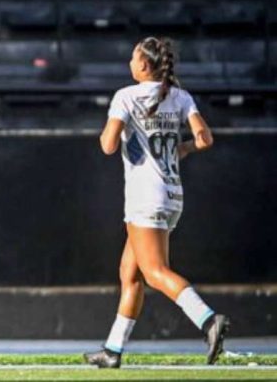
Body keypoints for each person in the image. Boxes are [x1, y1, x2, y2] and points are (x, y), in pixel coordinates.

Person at [84, 37, 229, 369]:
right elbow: (205, 139)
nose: (129, 61)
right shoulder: (179, 96)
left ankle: (208, 320)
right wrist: (183, 149)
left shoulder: (125, 95)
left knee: (154, 272)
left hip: (144, 196)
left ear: (144, 65)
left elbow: (107, 146)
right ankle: (113, 350)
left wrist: (114, 133)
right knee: (129, 272)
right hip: (172, 193)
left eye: (133, 56)